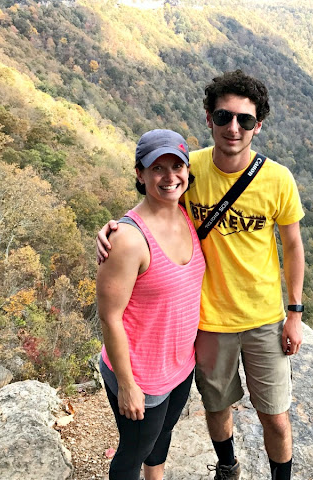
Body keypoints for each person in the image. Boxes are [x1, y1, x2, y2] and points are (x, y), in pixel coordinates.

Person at [97, 70, 305, 480]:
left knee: (277, 417)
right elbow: (155, 203)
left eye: (244, 120)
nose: (233, 127)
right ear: (209, 117)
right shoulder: (190, 169)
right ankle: (228, 468)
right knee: (217, 406)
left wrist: (295, 312)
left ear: (257, 126)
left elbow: (294, 245)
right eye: (224, 116)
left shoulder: (278, 179)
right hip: (208, 323)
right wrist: (110, 230)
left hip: (264, 318)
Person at [96, 129, 206, 480]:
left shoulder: (187, 213)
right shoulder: (128, 239)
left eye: (177, 165)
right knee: (132, 454)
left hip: (179, 364)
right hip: (141, 373)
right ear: (140, 175)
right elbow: (109, 317)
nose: (170, 176)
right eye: (157, 168)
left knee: (163, 435)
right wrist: (128, 385)